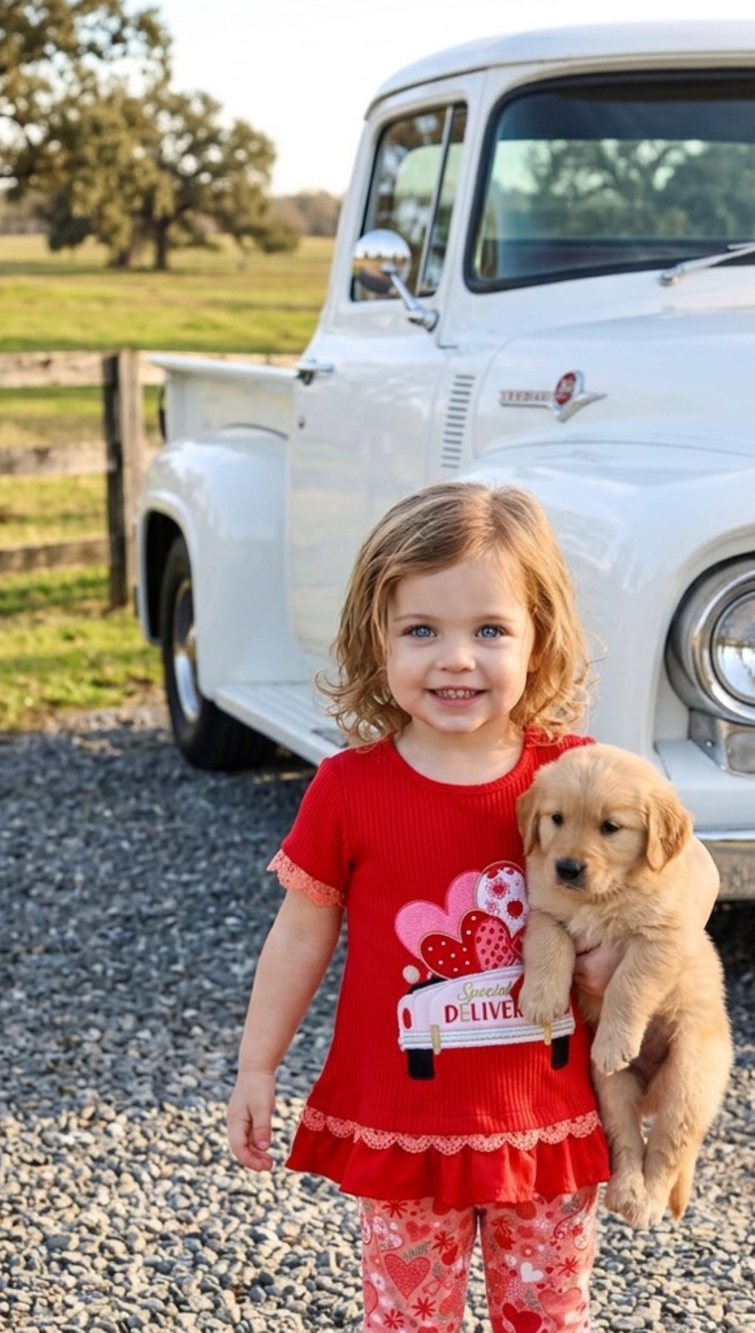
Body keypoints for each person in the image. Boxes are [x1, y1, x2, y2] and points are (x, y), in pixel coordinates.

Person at [227, 480, 719, 1332]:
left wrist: (632, 949)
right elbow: (302, 930)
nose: (456, 657)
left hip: (550, 1115)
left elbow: (697, 865)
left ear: (540, 639)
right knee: (408, 1316)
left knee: (547, 1314)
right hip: (407, 1123)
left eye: (489, 630)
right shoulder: (349, 788)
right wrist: (257, 1065)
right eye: (422, 630)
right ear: (374, 640)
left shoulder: (573, 773)